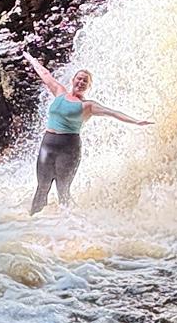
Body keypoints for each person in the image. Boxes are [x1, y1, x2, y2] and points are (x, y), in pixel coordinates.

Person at [22, 48, 152, 214]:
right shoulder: (59, 92)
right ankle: (32, 221)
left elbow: (112, 112)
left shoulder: (88, 106)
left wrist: (136, 121)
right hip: (47, 145)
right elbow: (45, 74)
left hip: (68, 148)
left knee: (63, 190)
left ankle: (68, 226)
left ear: (88, 86)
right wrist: (31, 59)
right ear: (73, 79)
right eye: (79, 78)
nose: (81, 82)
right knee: (42, 186)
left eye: (85, 81)